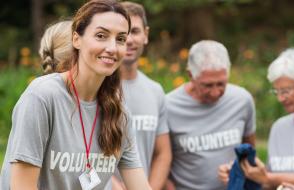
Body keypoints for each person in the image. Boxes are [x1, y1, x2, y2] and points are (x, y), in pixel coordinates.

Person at [0, 0, 151, 189]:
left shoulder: (119, 114)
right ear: (76, 39)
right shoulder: (42, 97)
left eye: (120, 39)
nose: (112, 48)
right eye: (101, 36)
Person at [219, 48, 294, 190]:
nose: (280, 98)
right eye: (276, 91)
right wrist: (244, 173)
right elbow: (270, 182)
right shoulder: (279, 127)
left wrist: (267, 177)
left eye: (285, 91)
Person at [166, 40, 256, 190]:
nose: (215, 93)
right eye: (207, 85)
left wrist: (237, 169)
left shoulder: (242, 100)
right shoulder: (169, 106)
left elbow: (250, 153)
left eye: (221, 84)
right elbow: (161, 161)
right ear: (190, 75)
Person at [111, 2, 171, 190]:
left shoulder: (155, 91)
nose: (129, 40)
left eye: (135, 31)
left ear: (146, 34)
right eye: (123, 33)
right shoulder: (96, 88)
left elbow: (163, 153)